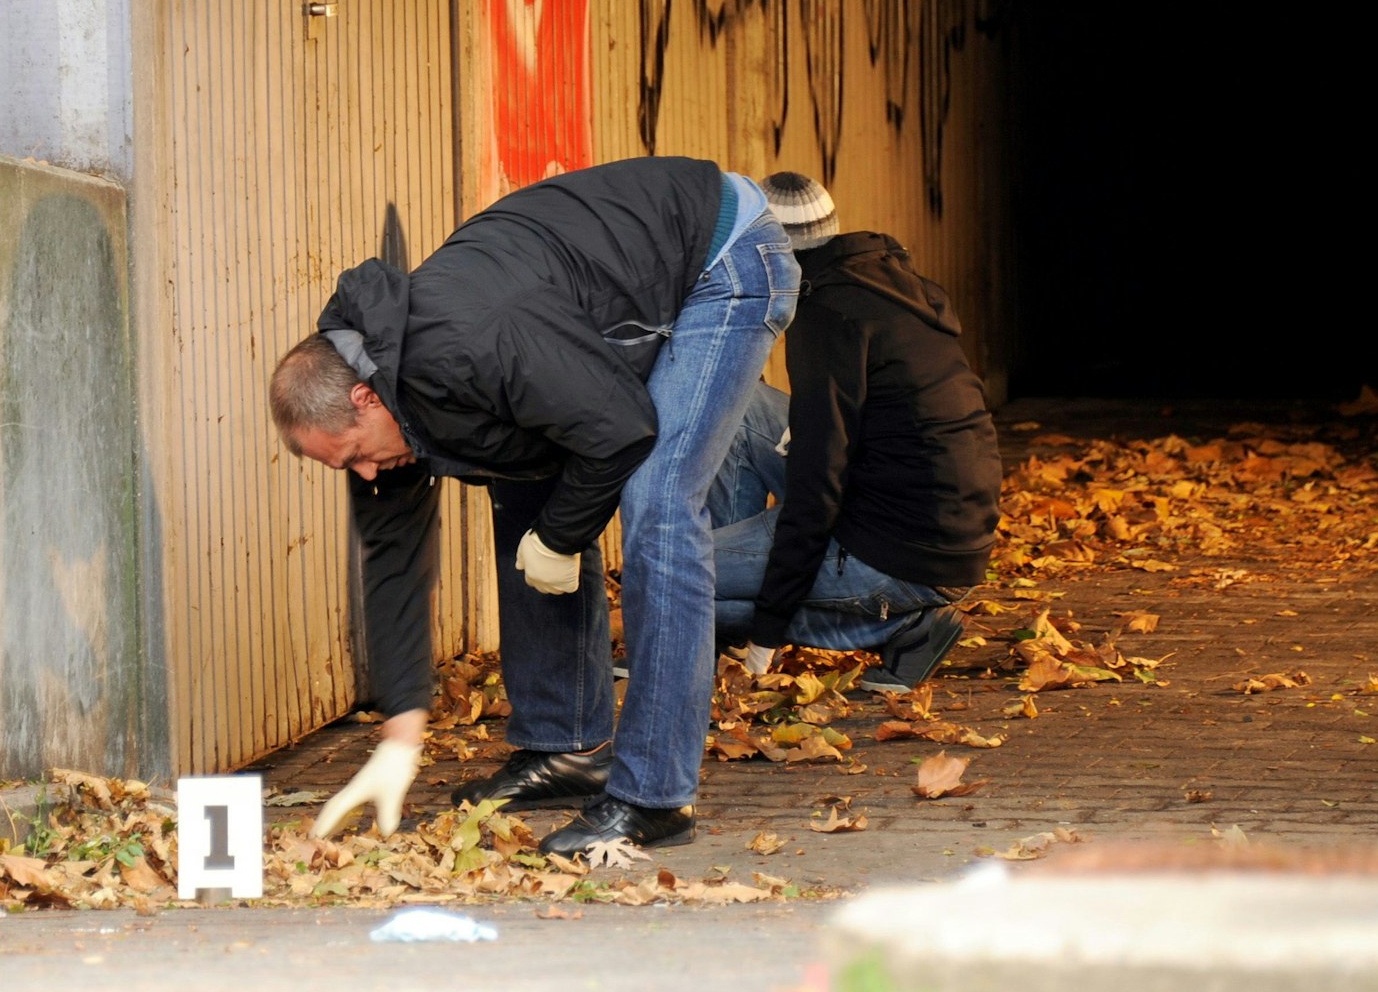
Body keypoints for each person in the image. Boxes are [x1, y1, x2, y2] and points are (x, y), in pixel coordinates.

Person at [269, 156, 797, 854]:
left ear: (365, 399)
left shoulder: (468, 341)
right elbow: (393, 564)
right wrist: (400, 737)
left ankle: (655, 795)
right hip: (617, 294)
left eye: (357, 455)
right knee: (523, 487)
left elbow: (619, 428)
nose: (366, 474)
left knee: (658, 502)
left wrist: (560, 537)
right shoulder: (376, 404)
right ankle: (566, 743)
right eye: (348, 469)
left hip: (723, 257)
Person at [712, 174, 1000, 691]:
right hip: (939, 524)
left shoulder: (828, 318)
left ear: (770, 249)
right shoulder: (880, 286)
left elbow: (817, 488)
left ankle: (900, 628)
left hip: (904, 553)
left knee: (669, 571)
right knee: (743, 402)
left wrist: (767, 634)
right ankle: (722, 605)